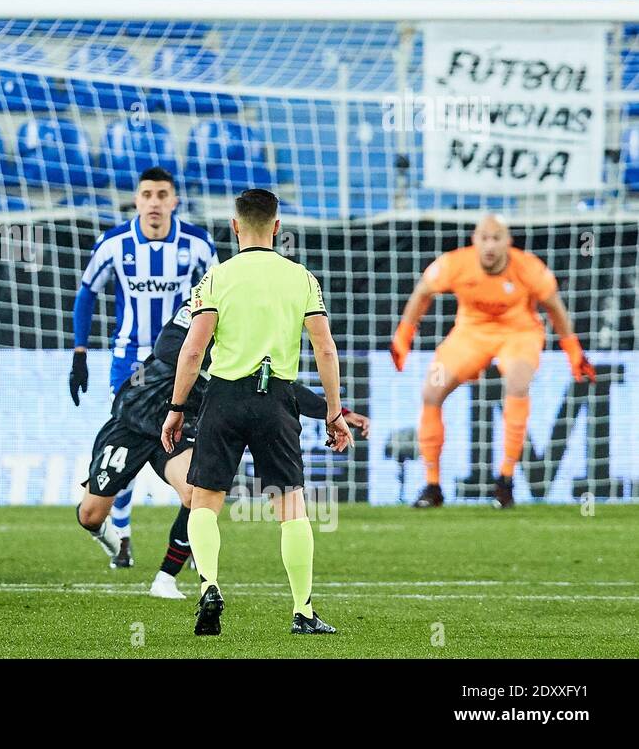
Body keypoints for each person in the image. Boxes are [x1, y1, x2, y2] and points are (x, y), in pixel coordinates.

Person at [77, 303, 369, 598]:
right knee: (90, 515)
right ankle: (115, 544)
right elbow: (167, 347)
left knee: (195, 491)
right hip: (134, 419)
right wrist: (217, 358)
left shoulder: (253, 343)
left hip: (179, 427)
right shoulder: (205, 302)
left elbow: (288, 389)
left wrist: (339, 412)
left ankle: (165, 578)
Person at [162, 189, 352, 636]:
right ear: (278, 228)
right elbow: (325, 348)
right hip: (277, 399)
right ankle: (302, 611)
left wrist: (175, 408)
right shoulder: (302, 278)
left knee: (205, 503)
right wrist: (333, 412)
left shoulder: (216, 279)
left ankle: (209, 585)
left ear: (234, 226)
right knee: (291, 506)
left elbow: (192, 351)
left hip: (223, 397)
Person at [390, 213, 595, 509]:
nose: (489, 246)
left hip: (519, 333)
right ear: (474, 240)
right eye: (483, 238)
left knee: (517, 381)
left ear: (507, 242)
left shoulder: (528, 268)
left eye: (496, 238)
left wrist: (574, 352)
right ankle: (432, 486)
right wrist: (402, 337)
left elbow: (555, 308)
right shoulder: (455, 263)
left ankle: (505, 481)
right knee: (431, 390)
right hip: (470, 333)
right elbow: (422, 292)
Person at [70, 167, 217, 568]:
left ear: (174, 201)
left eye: (162, 194)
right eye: (147, 194)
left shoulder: (198, 245)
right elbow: (86, 294)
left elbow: (220, 302)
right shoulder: (114, 243)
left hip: (182, 367)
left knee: (182, 446)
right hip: (130, 365)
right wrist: (79, 353)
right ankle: (124, 537)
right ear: (137, 200)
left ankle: (181, 539)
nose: (154, 202)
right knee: (131, 444)